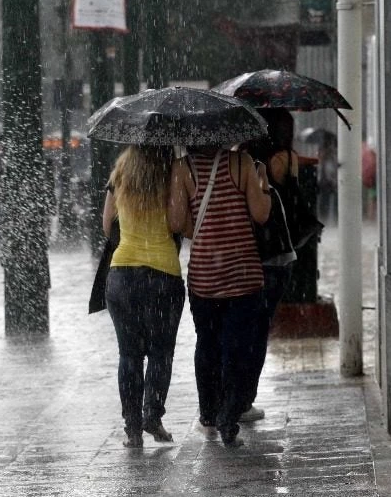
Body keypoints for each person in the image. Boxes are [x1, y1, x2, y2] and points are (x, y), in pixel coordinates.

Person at [168, 144, 271, 448]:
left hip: (204, 277)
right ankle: (229, 415)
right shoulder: (242, 162)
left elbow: (176, 222)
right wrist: (262, 182)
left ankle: (209, 413)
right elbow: (261, 214)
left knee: (207, 344)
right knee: (237, 347)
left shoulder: (182, 168)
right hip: (243, 273)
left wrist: (202, 231)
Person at [101, 145, 185, 448]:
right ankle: (153, 415)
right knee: (161, 353)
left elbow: (106, 224)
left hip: (122, 274)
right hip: (162, 274)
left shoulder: (121, 171)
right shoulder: (172, 171)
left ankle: (132, 429)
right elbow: (177, 223)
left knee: (129, 354)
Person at [241, 108, 300, 423]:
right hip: (278, 255)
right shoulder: (285, 160)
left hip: (249, 253)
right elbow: (292, 202)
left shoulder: (247, 161)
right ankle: (245, 397)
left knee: (242, 329)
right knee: (259, 330)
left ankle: (233, 395)